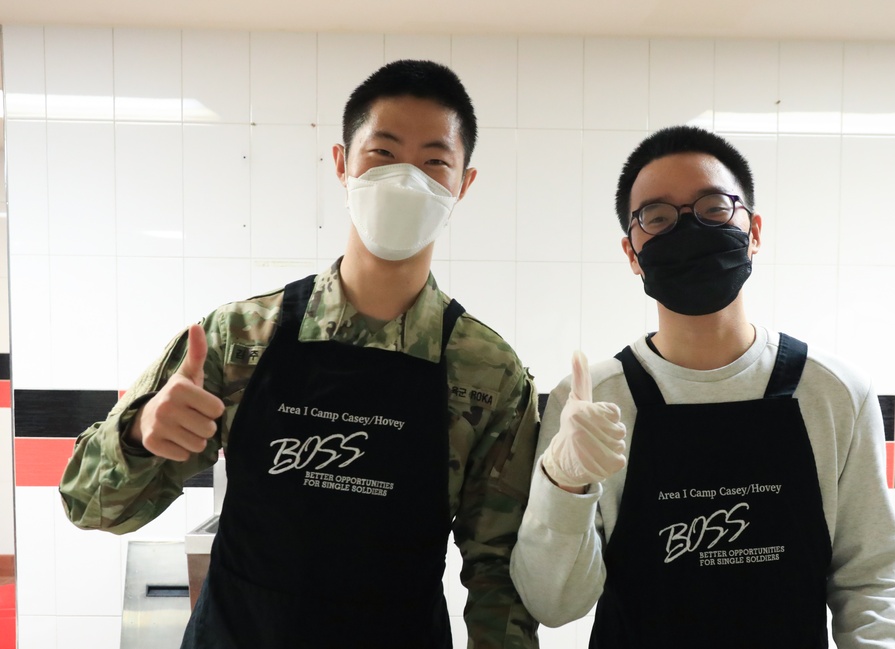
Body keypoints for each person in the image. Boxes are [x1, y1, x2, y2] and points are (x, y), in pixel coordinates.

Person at [60, 59, 540, 649]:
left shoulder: (486, 371)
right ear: (342, 165)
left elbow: (497, 574)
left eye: (434, 161)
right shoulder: (239, 338)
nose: (406, 179)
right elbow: (89, 506)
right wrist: (139, 437)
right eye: (383, 154)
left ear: (462, 185)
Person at [510, 125, 895, 647]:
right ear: (632, 254)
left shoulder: (834, 392)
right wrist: (563, 486)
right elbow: (553, 604)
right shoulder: (593, 402)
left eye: (714, 208)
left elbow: (872, 581)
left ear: (754, 230)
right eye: (657, 218)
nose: (688, 229)